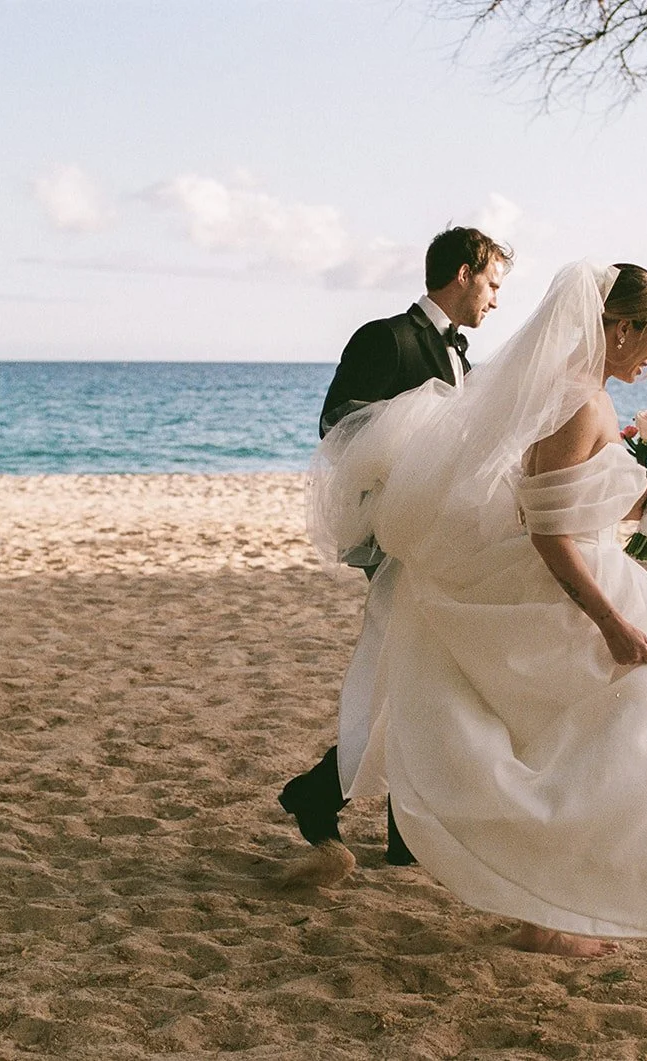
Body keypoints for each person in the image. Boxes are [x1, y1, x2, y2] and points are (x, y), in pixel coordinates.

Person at [307, 260, 647, 957]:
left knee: (580, 752)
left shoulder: (574, 396)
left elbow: (570, 501)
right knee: (614, 748)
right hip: (574, 592)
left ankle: (554, 914)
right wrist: (610, 621)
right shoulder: (578, 403)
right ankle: (556, 917)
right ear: (622, 326)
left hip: (593, 574)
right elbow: (547, 533)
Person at [278, 227, 511, 879]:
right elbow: (338, 424)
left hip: (447, 537)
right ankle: (347, 804)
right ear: (462, 274)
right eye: (493, 283)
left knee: (417, 678)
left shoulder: (463, 356)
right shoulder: (385, 337)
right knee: (409, 675)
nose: (496, 299)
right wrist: (408, 451)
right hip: (402, 539)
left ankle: (349, 806)